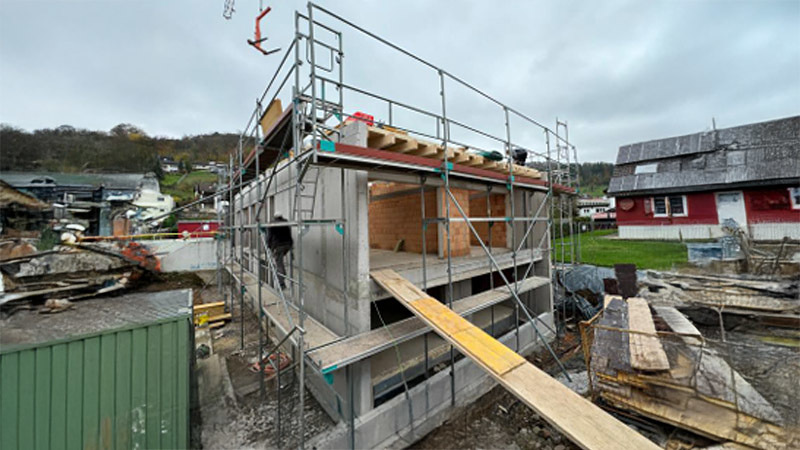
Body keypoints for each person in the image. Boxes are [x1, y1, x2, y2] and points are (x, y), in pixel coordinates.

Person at [267, 212, 293, 289]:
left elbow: (269, 236)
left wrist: (269, 246)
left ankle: (281, 283)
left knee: (279, 264)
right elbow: (289, 234)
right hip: (287, 245)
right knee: (280, 262)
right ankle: (283, 275)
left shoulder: (272, 223)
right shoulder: (286, 222)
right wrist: (291, 245)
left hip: (278, 246)